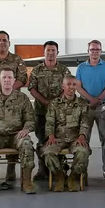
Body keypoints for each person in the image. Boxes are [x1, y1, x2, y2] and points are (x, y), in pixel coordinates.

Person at [28, 41, 71, 179]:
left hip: (60, 114)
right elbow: (32, 88)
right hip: (41, 112)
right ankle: (42, 170)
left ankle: (57, 169)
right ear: (44, 52)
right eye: (48, 50)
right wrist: (45, 102)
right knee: (42, 141)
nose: (51, 53)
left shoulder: (64, 70)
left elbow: (68, 88)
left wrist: (55, 102)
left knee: (57, 140)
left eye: (53, 50)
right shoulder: (37, 70)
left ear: (57, 53)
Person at [42, 76, 92, 192]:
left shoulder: (82, 104)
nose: (71, 87)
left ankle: (72, 178)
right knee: (48, 153)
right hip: (58, 138)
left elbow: (85, 122)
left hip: (76, 138)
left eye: (74, 85)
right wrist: (50, 136)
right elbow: (49, 122)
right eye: (68, 84)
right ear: (63, 86)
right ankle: (60, 177)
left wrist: (82, 135)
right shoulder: (54, 104)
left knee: (83, 152)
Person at [76, 39, 105, 144]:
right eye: (92, 49)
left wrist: (98, 99)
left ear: (101, 51)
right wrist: (91, 99)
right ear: (88, 51)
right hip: (85, 106)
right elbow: (78, 87)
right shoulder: (81, 67)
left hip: (103, 106)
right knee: (84, 138)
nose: (95, 52)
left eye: (97, 49)